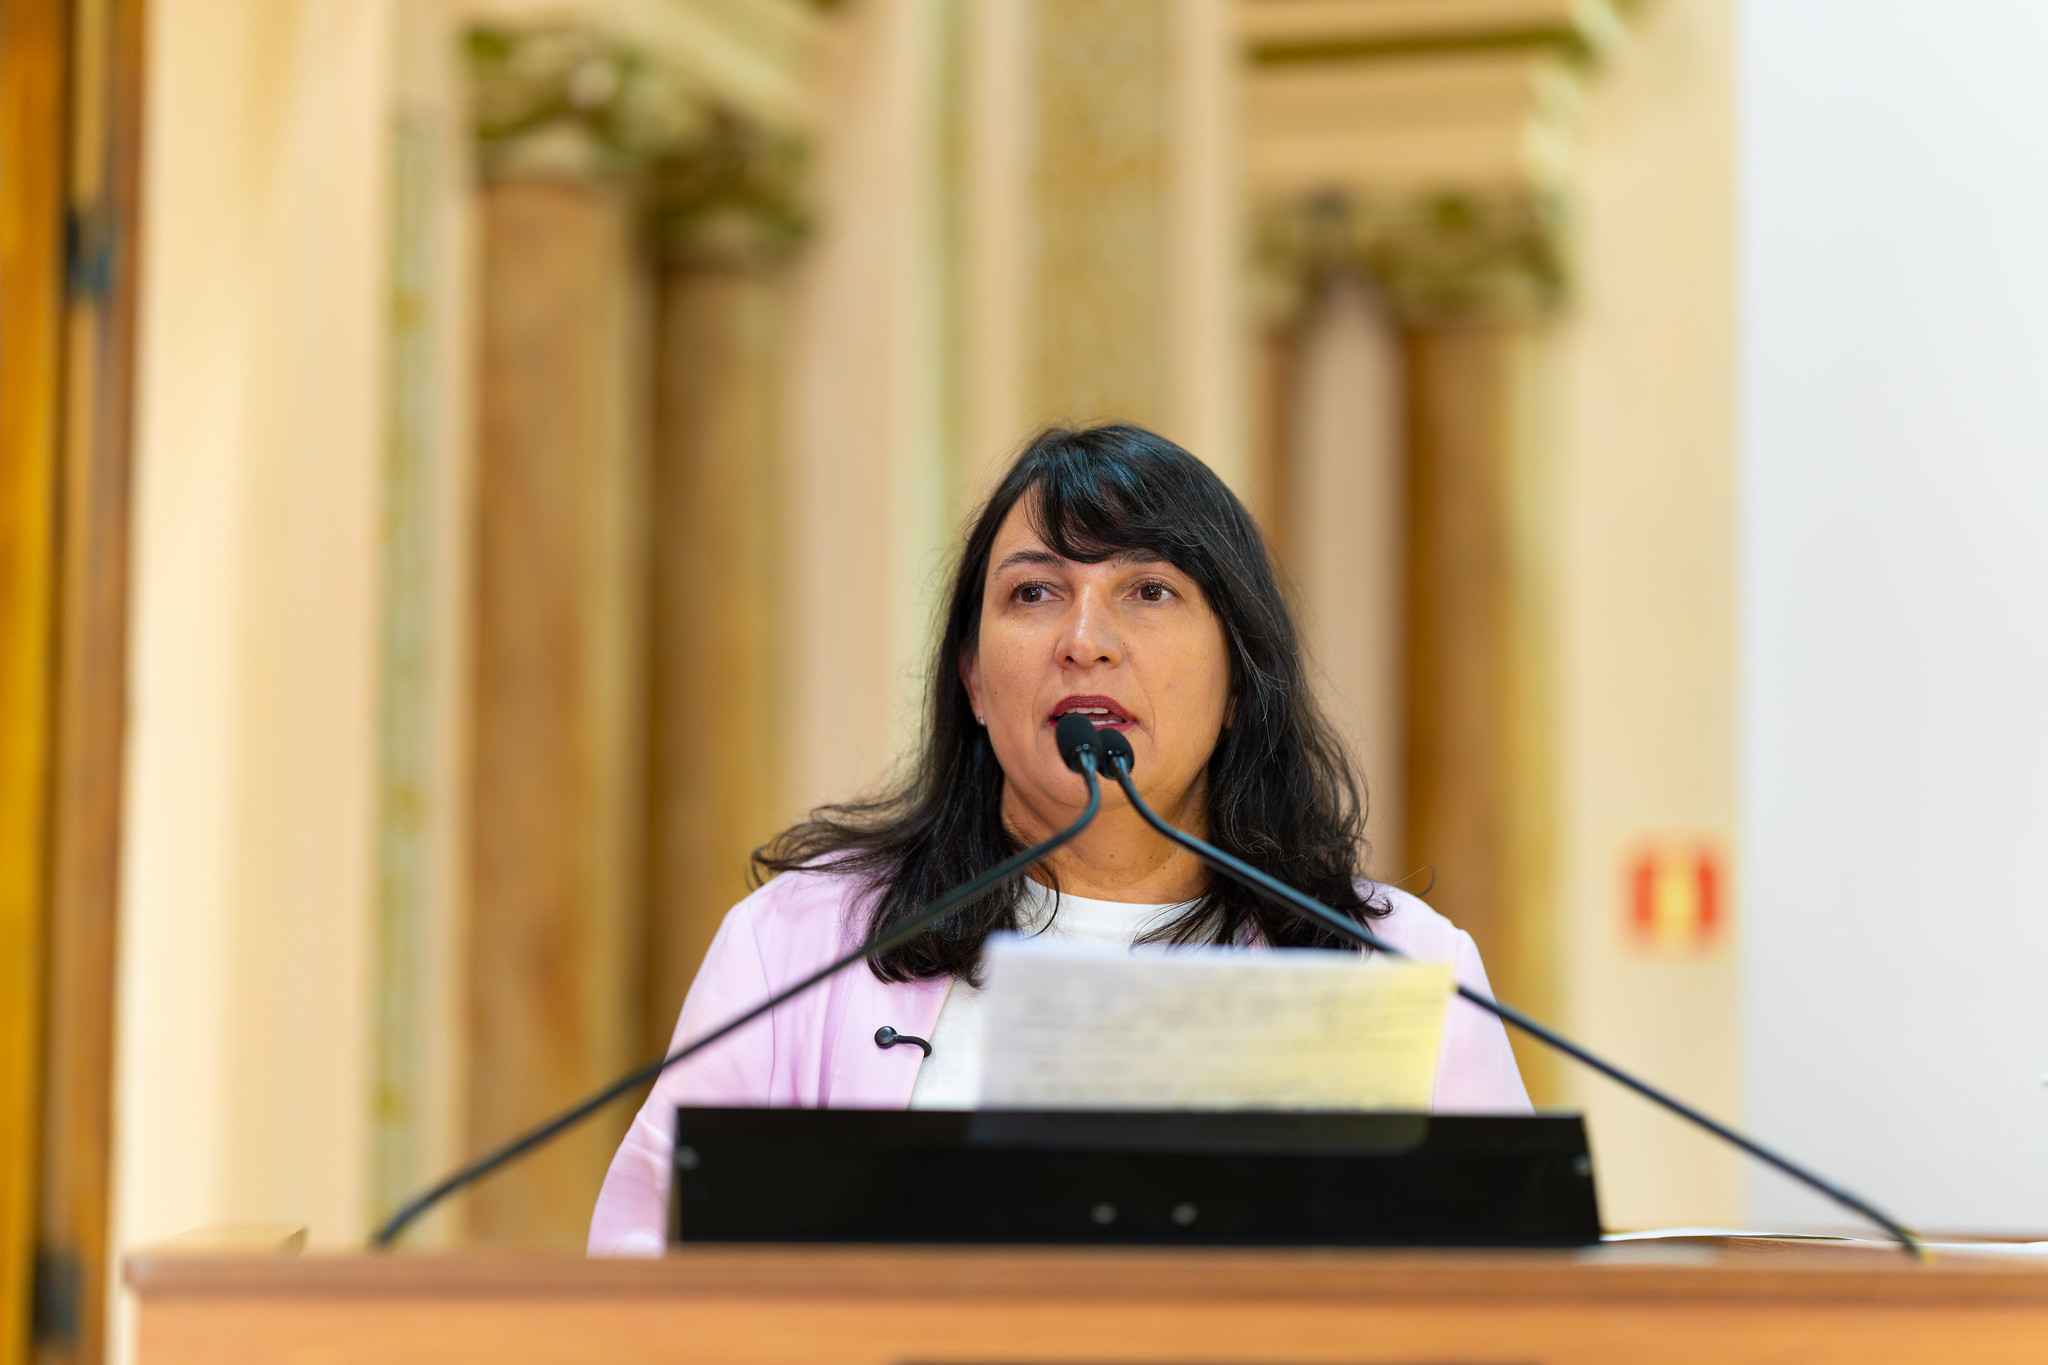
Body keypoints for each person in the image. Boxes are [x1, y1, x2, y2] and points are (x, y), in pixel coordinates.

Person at [588, 423, 1529, 1256]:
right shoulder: (798, 943)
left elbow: (1506, 1304)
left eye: (1150, 591)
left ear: (1242, 680)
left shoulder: (1398, 966)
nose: (1085, 638)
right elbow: (652, 1269)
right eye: (1035, 593)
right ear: (972, 678)